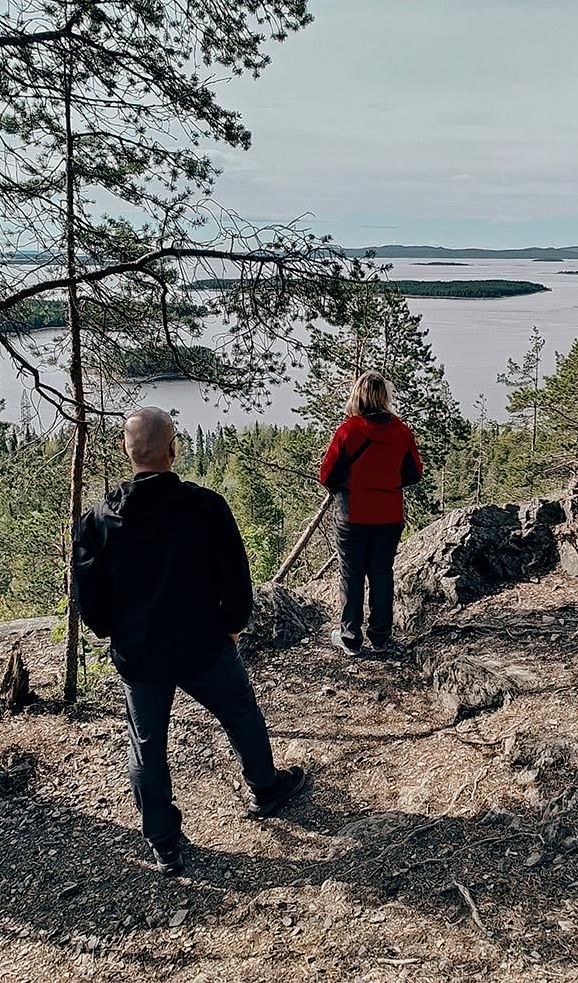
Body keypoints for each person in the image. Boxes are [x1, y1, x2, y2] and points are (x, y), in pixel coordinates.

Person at [72, 406, 305, 876]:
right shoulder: (205, 506)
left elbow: (86, 593)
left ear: (126, 449)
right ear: (174, 450)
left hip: (140, 654)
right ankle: (265, 787)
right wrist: (233, 624)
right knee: (240, 712)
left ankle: (163, 842)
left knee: (147, 745)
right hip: (203, 645)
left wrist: (109, 632)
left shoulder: (99, 518)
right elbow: (236, 575)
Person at [320, 371, 423, 657]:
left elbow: (326, 473)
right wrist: (387, 484)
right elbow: (415, 473)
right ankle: (380, 637)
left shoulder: (349, 430)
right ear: (385, 396)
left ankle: (351, 638)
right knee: (381, 573)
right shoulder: (401, 430)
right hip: (389, 515)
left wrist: (349, 486)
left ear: (358, 395)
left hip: (352, 515)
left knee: (351, 575)